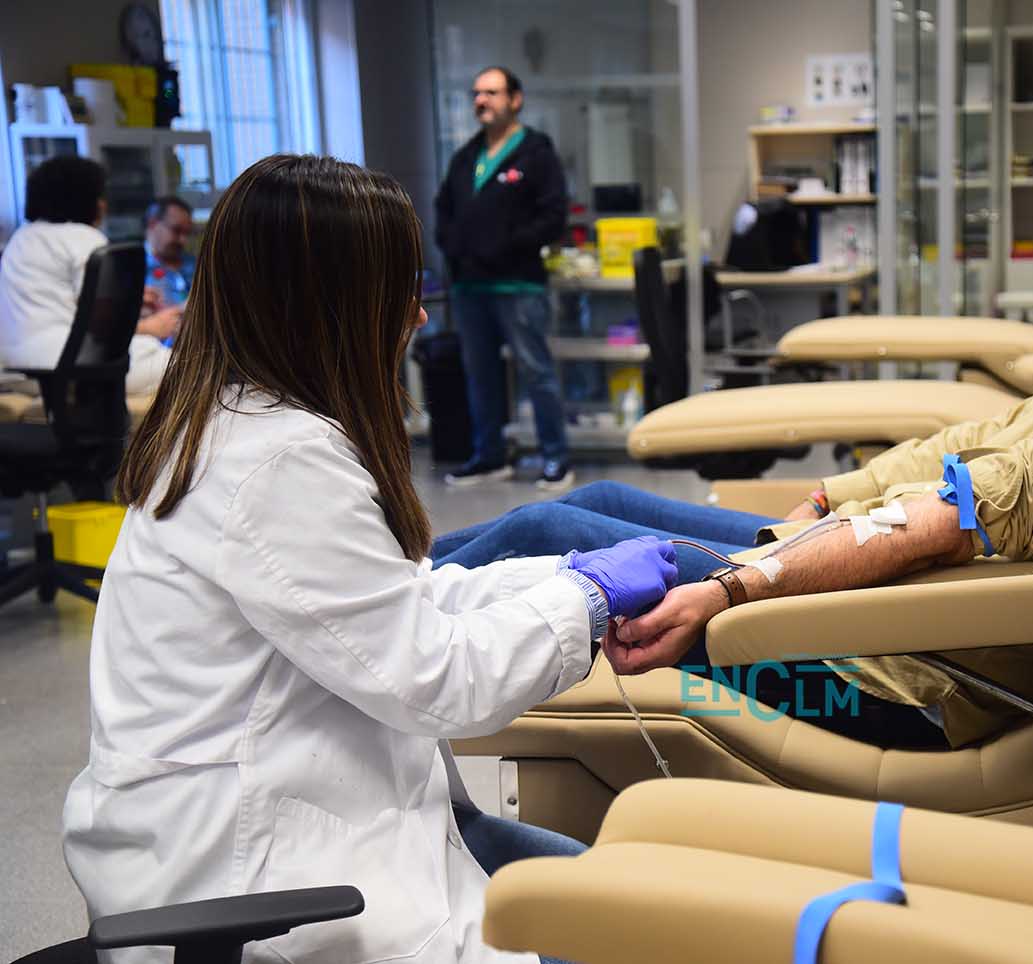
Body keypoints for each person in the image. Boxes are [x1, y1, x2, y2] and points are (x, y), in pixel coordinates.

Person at [441, 147, 1033, 749]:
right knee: (598, 508)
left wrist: (737, 586)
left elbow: (946, 519)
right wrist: (831, 498)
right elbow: (979, 441)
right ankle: (385, 601)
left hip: (886, 670)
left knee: (554, 530)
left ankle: (383, 626)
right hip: (866, 601)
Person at [60, 154, 679, 964]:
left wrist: (563, 578)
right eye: (400, 291)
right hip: (264, 888)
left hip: (309, 826)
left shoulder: (239, 423)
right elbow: (436, 679)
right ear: (329, 305)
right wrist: (587, 598)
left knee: (636, 901)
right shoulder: (278, 462)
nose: (417, 316)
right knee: (652, 935)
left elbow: (394, 606)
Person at [435, 65, 572, 491]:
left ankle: (555, 458)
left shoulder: (535, 153)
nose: (481, 100)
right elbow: (444, 211)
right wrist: (454, 247)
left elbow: (553, 216)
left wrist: (507, 245)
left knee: (536, 372)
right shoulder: (466, 157)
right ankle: (489, 456)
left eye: (491, 93)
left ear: (515, 99)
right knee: (480, 375)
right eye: (477, 93)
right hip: (470, 286)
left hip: (518, 285)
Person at [0, 156, 174, 395]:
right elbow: (106, 326)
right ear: (85, 199)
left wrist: (132, 299)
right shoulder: (83, 237)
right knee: (185, 364)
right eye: (100, 196)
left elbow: (56, 301)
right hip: (68, 370)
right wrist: (152, 327)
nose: (104, 205)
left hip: (16, 370)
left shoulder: (21, 238)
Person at [139, 194, 196, 345]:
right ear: (153, 224)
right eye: (176, 231)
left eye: (187, 233)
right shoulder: (130, 268)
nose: (183, 240)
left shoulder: (194, 263)